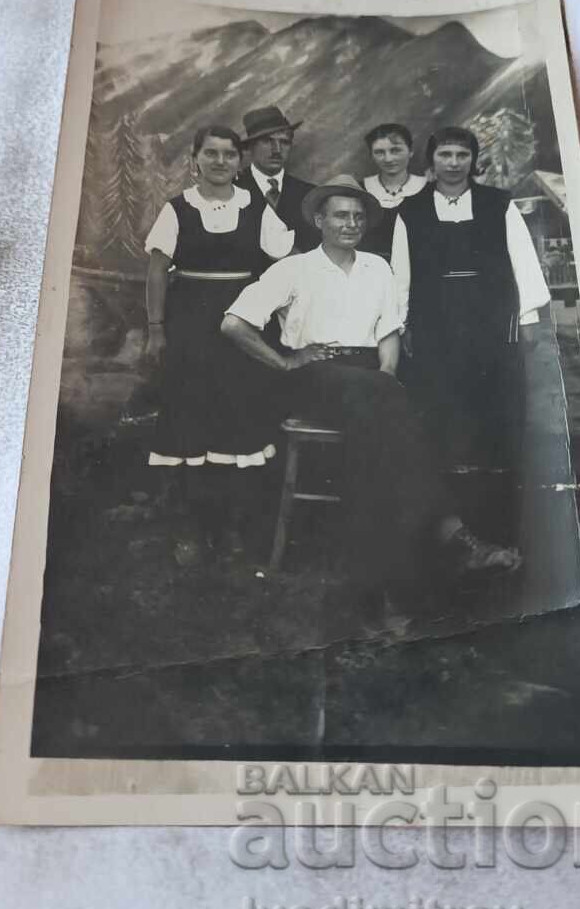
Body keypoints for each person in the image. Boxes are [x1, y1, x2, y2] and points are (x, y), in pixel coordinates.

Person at [221, 174, 521, 620]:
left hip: (369, 380)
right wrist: (286, 362)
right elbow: (233, 323)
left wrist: (386, 374)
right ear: (319, 220)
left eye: (358, 217)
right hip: (316, 374)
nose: (351, 223)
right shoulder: (293, 268)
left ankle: (381, 580)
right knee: (391, 416)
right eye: (341, 215)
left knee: (376, 438)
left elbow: (388, 334)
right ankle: (450, 539)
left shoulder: (379, 268)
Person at [391, 125, 550, 472]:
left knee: (495, 395)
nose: (453, 163)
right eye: (445, 154)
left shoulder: (498, 204)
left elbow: (523, 261)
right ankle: (448, 479)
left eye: (462, 155)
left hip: (491, 318)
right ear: (431, 160)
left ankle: (497, 476)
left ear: (473, 160)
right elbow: (401, 273)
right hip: (435, 319)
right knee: (441, 396)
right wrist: (402, 325)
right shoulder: (411, 210)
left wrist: (528, 318)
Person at [144, 123, 288, 476]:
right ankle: (193, 498)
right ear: (195, 159)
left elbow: (287, 259)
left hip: (242, 322)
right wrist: (156, 329)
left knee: (239, 397)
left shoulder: (256, 207)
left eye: (229, 154)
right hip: (189, 320)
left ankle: (234, 503)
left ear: (240, 161)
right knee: (191, 398)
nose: (220, 161)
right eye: (210, 153)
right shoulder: (177, 208)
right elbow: (157, 271)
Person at [236, 105, 319, 262]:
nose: (277, 149)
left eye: (284, 142)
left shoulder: (309, 194)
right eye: (267, 141)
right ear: (250, 147)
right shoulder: (232, 189)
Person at [360, 122, 426, 261]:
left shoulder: (429, 188)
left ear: (411, 151)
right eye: (379, 152)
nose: (388, 158)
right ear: (371, 155)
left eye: (395, 150)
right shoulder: (360, 190)